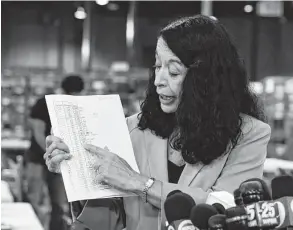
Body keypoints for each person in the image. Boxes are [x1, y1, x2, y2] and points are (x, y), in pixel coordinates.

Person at [44, 15, 271, 230]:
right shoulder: (133, 129)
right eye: (157, 66)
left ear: (207, 80)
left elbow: (227, 210)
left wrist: (140, 184)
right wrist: (77, 172)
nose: (159, 81)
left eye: (173, 72)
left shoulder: (249, 134)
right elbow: (108, 220)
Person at [25, 75, 84, 230]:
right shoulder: (43, 103)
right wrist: (50, 153)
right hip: (38, 158)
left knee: (59, 203)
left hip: (59, 161)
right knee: (35, 199)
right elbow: (38, 131)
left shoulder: (71, 106)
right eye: (72, 94)